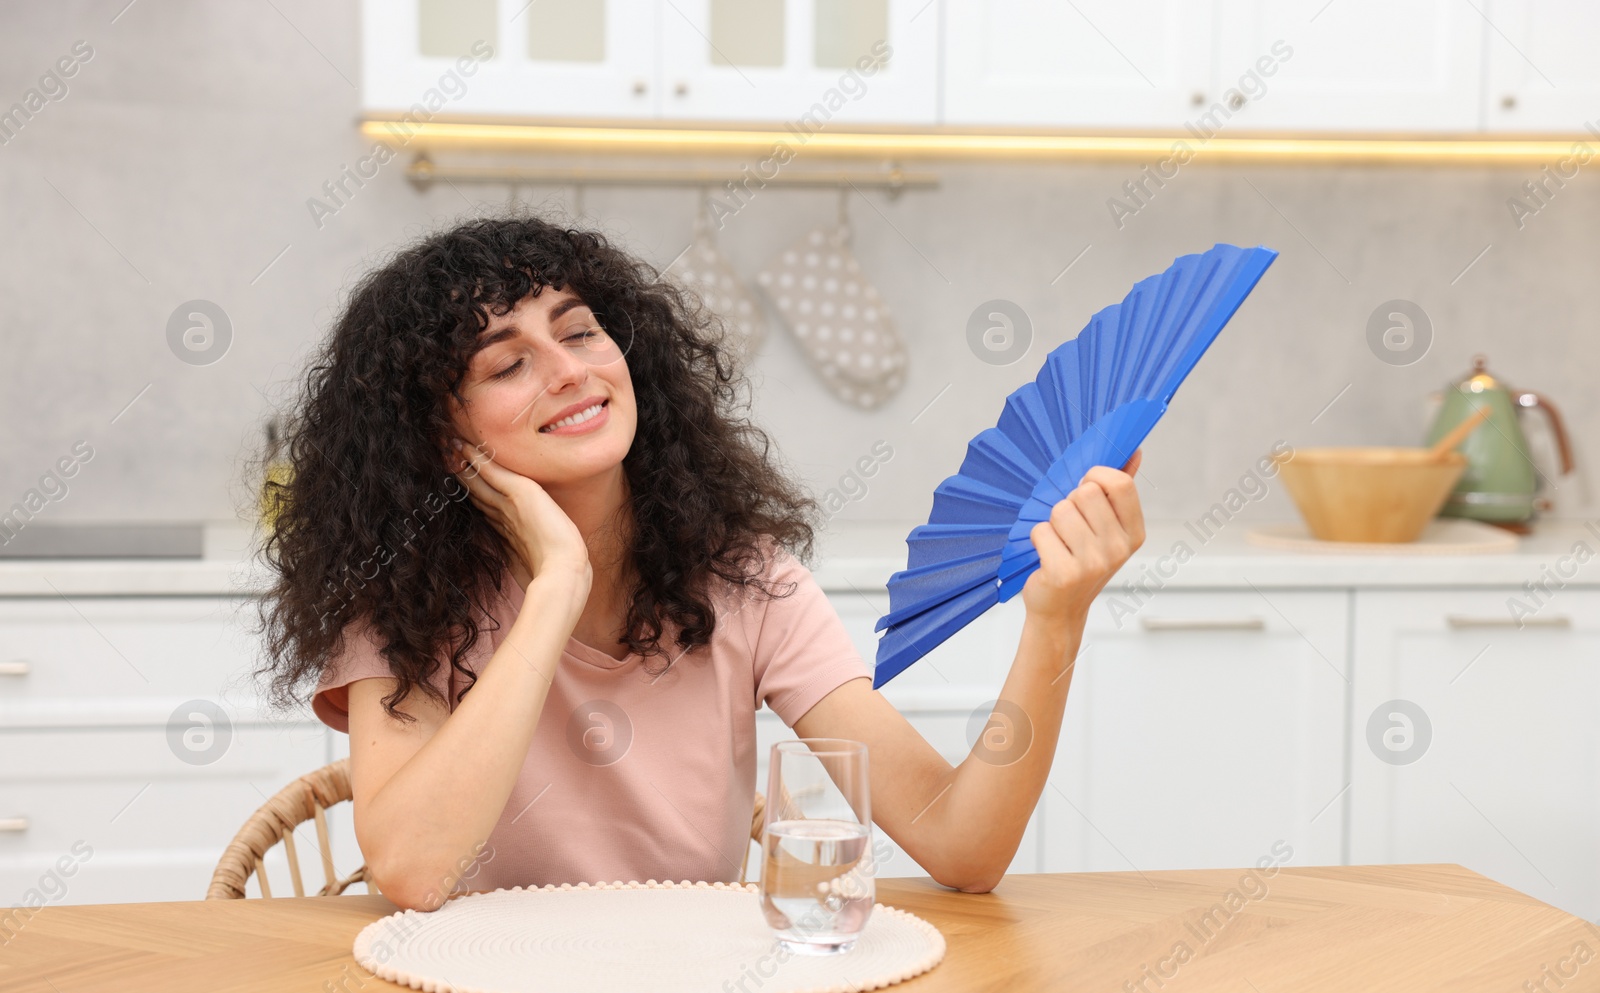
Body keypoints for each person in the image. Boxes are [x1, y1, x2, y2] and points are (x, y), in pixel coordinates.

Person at [255, 215, 1144, 912]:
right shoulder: (404, 602)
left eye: (581, 332)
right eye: (508, 364)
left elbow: (962, 845)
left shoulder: (747, 582)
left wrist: (1056, 618)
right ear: (443, 436)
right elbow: (412, 871)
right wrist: (556, 586)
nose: (570, 371)